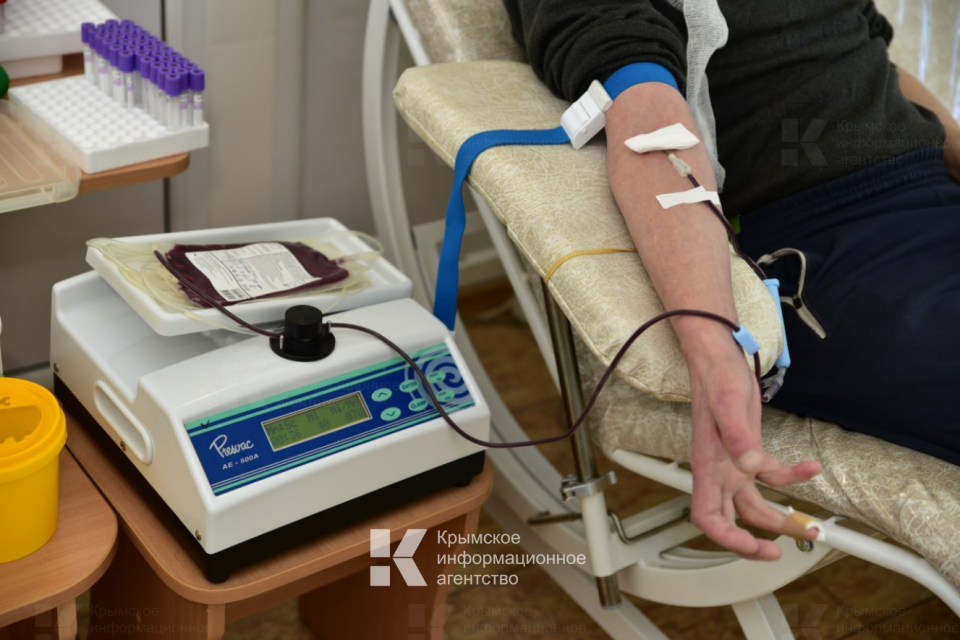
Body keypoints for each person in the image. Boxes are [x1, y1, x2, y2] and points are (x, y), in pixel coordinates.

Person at [504, 0, 960, 561]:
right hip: (820, 248)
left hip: (933, 187)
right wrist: (717, 355)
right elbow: (645, 113)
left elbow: (865, 48)